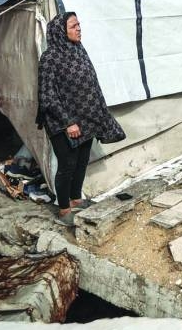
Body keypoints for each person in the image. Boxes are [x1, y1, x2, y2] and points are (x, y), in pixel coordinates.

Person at [37, 12, 123, 226]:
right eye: (74, 26)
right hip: (62, 123)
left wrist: (99, 114)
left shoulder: (78, 50)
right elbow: (47, 96)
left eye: (79, 25)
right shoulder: (49, 58)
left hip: (86, 118)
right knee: (67, 164)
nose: (79, 28)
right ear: (61, 31)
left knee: (82, 162)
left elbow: (92, 85)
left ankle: (76, 199)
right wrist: (68, 122)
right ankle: (64, 209)